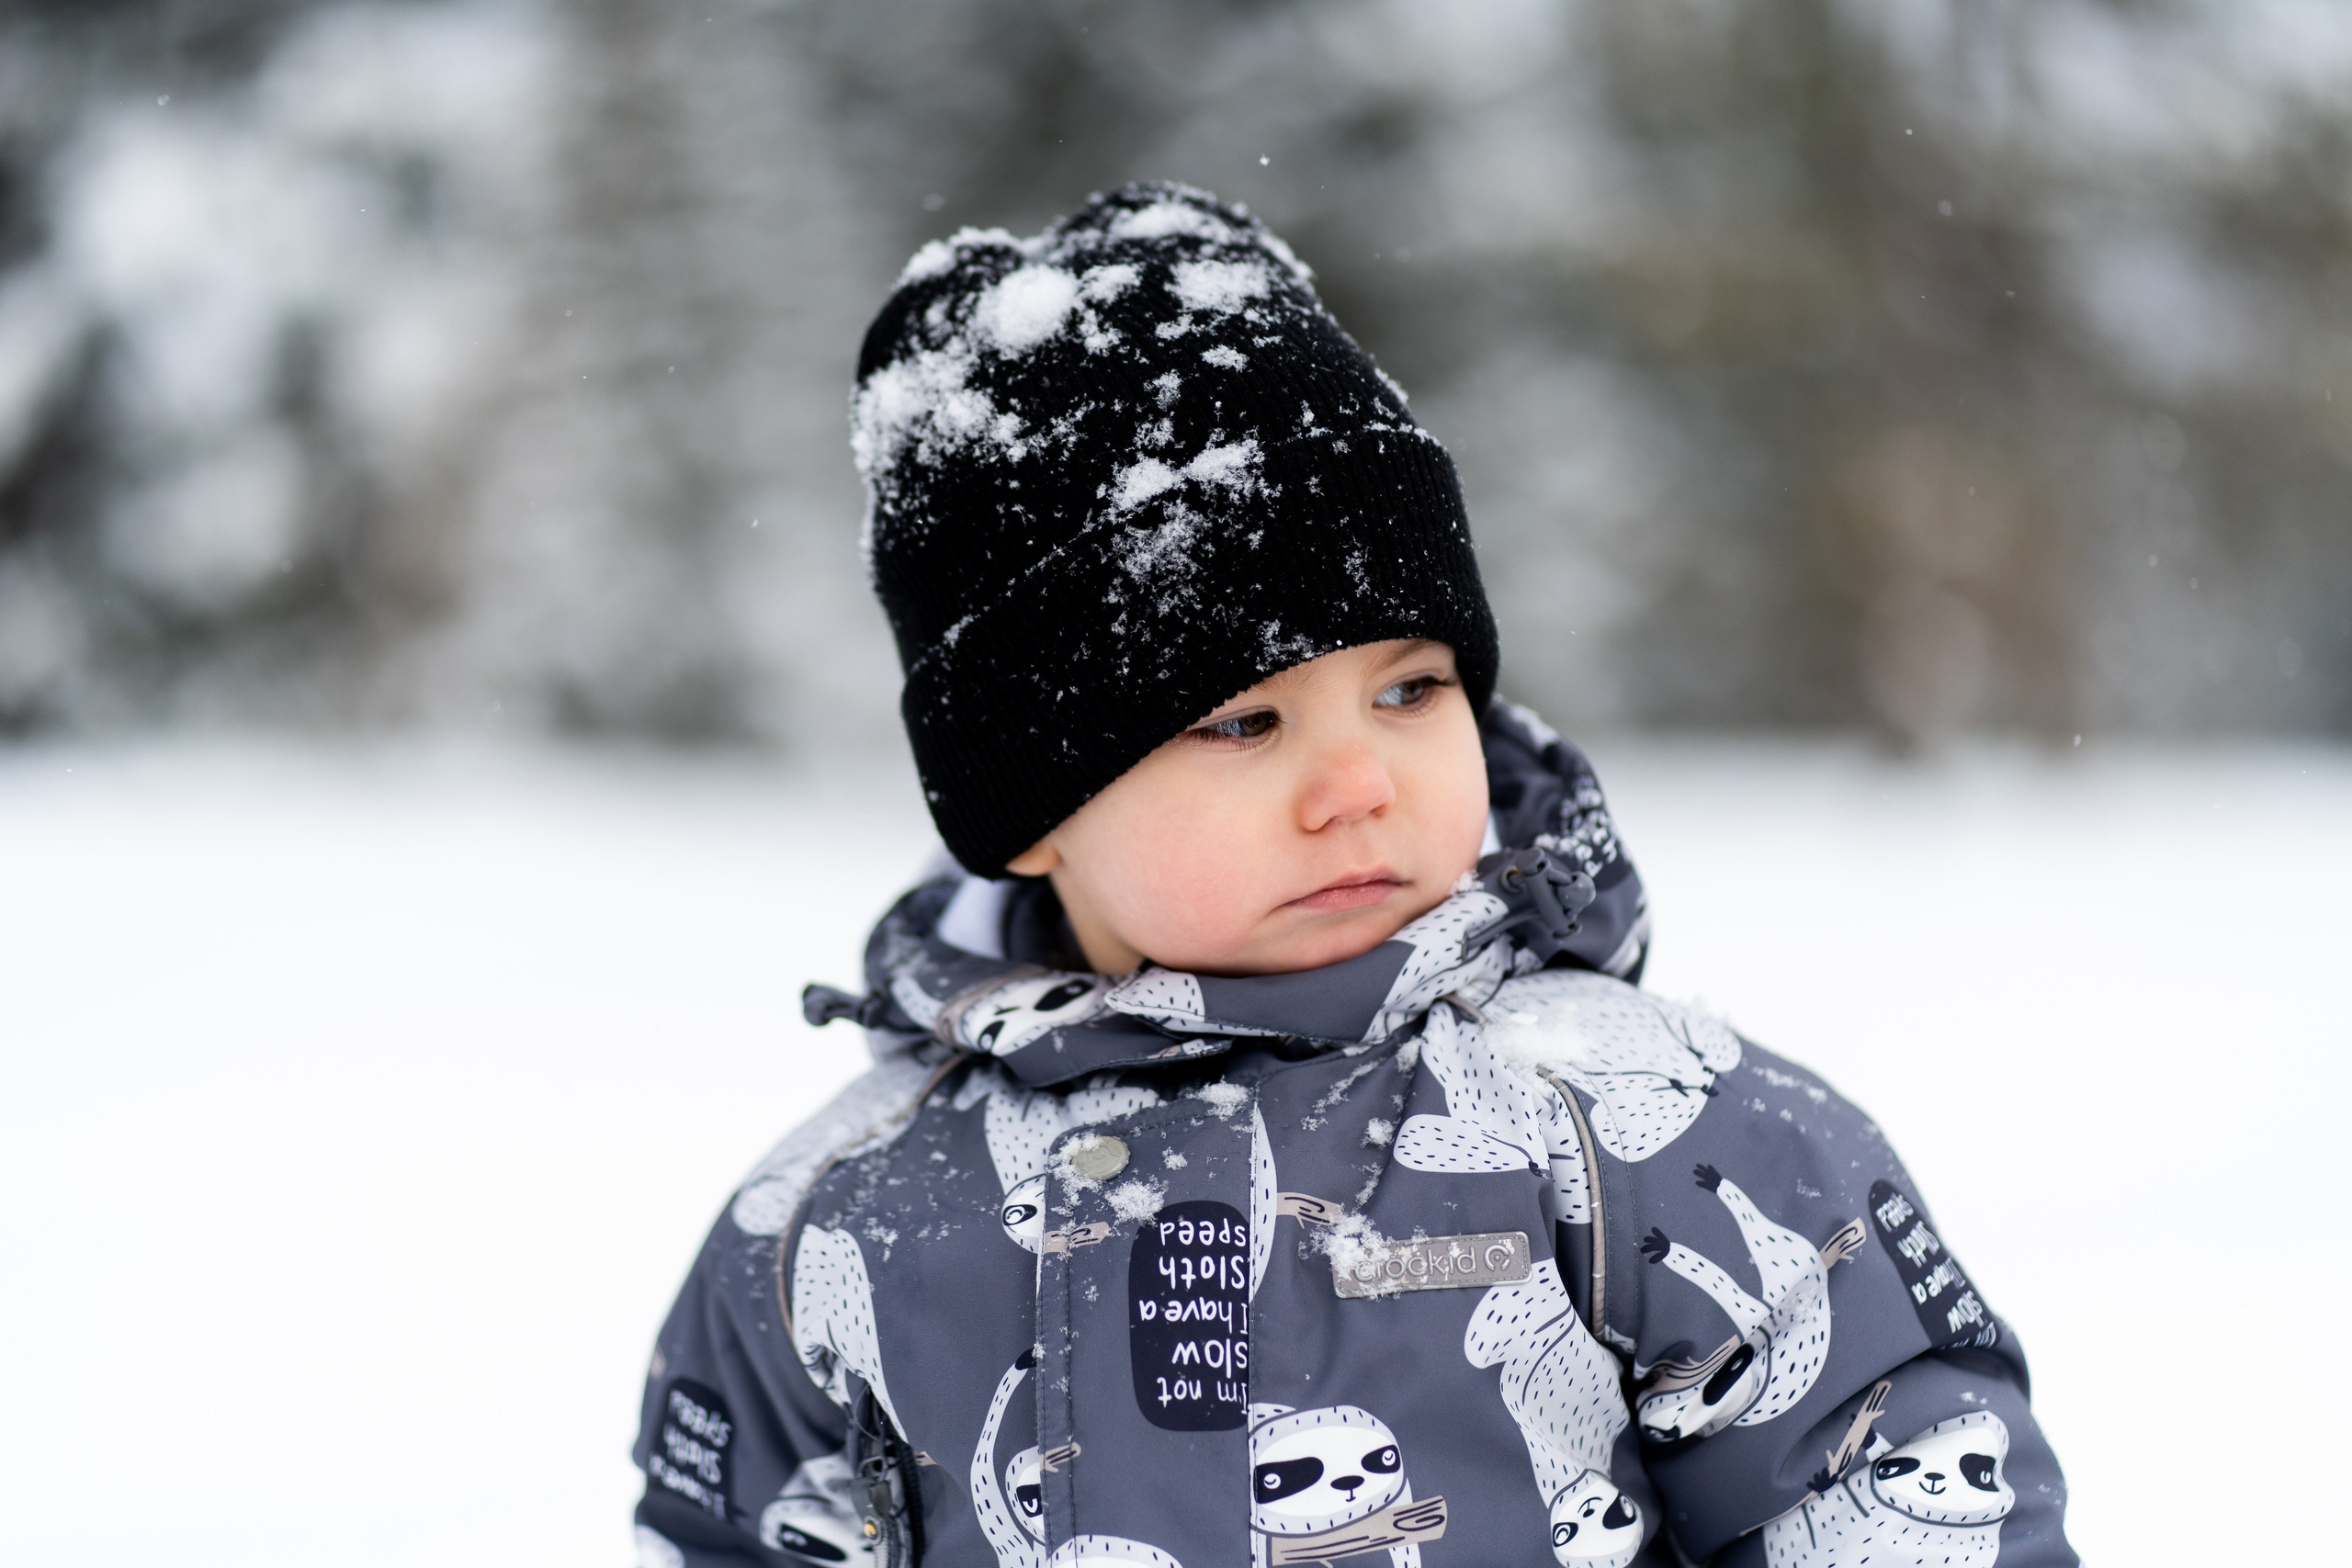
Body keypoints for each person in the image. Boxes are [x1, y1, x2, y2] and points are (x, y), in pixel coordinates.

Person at [630, 183, 2075, 1568]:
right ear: (1028, 810)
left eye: (1409, 691)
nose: (1357, 785)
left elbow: (1897, 1495)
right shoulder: (846, 1216)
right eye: (1244, 722)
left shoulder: (1657, 1137)